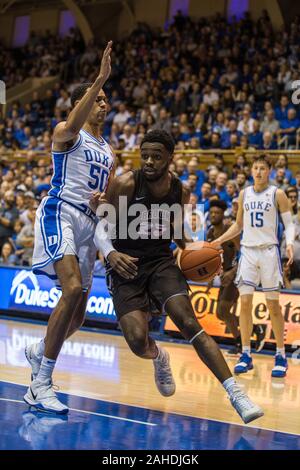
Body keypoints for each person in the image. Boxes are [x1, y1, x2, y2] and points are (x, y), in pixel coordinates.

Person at [94, 129, 263, 424]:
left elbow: (174, 229)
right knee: (136, 341)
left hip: (161, 262)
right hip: (125, 265)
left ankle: (236, 392)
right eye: (144, 155)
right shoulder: (124, 184)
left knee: (188, 322)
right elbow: (101, 227)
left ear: (171, 158)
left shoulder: (180, 191)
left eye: (156, 156)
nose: (148, 161)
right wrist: (111, 254)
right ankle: (159, 356)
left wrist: (198, 253)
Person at [23, 41, 114, 414]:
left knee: (78, 313)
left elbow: (101, 194)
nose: (105, 103)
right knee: (72, 288)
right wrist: (99, 79)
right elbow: (72, 122)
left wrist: (102, 202)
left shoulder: (109, 149)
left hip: (88, 224)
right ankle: (40, 384)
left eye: (106, 98)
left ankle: (38, 349)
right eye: (100, 99)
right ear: (85, 103)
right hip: (60, 212)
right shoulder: (67, 131)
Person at [212, 154, 294, 378]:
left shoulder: (277, 193)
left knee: (273, 306)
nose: (258, 172)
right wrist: (218, 241)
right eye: (255, 168)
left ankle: (280, 355)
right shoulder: (244, 193)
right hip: (248, 251)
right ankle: (246, 354)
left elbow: (289, 223)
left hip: (269, 251)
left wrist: (289, 245)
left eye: (262, 168)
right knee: (245, 304)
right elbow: (238, 225)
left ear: (269, 171)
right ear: (251, 172)